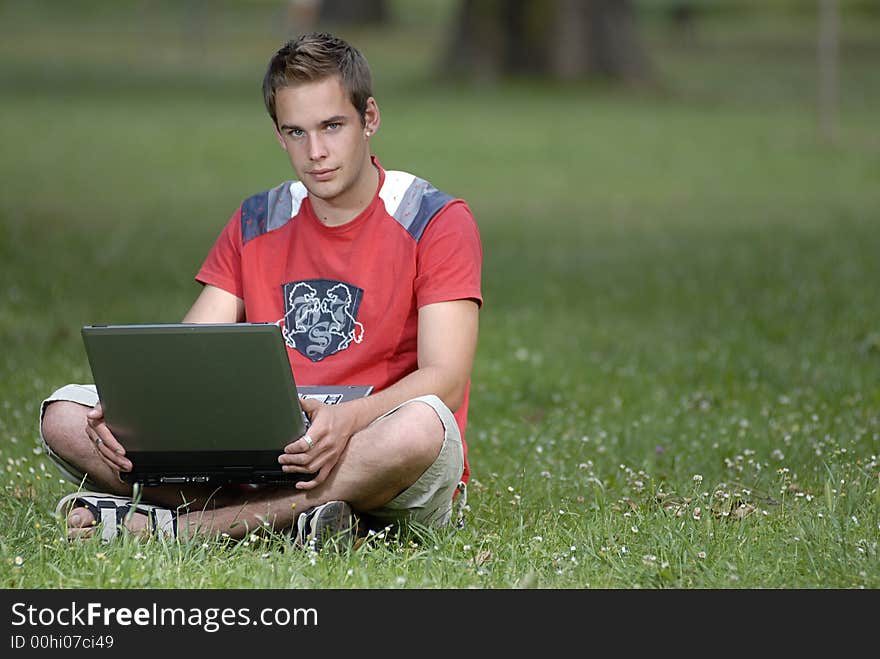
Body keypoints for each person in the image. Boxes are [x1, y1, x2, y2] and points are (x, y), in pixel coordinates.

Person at [40, 32, 483, 550]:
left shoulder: (435, 219)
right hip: (262, 452)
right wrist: (132, 409)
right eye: (296, 132)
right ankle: (299, 520)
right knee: (64, 414)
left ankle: (188, 526)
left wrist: (346, 421)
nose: (316, 152)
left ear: (370, 119)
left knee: (422, 427)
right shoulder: (258, 219)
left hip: (368, 442)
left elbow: (446, 381)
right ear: (278, 134)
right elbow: (187, 354)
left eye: (332, 126)